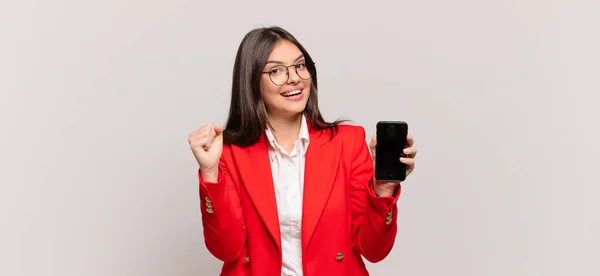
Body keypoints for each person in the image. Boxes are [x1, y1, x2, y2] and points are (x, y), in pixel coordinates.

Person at [188, 26, 417, 276]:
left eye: (300, 65)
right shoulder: (230, 153)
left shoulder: (347, 143)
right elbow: (225, 249)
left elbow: (374, 250)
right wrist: (210, 172)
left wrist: (383, 190)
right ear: (252, 82)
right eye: (276, 70)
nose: (295, 78)